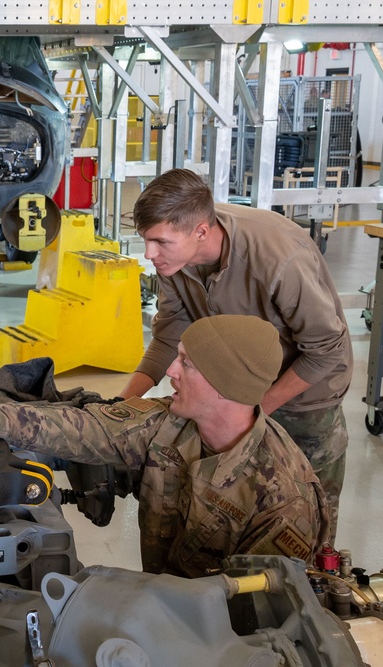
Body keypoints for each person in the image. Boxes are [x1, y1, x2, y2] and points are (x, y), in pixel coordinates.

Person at [0, 315, 329, 579]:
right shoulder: (171, 422)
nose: (170, 371)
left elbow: (261, 615)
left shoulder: (284, 499)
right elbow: (84, 428)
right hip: (166, 603)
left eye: (187, 363)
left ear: (226, 384)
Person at [119, 168, 351, 537]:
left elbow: (326, 351)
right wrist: (120, 405)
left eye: (160, 242)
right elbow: (168, 336)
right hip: (236, 396)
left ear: (200, 232)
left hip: (304, 399)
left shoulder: (279, 259)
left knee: (303, 530)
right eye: (146, 240)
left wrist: (252, 414)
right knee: (230, 519)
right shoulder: (175, 257)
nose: (149, 254)